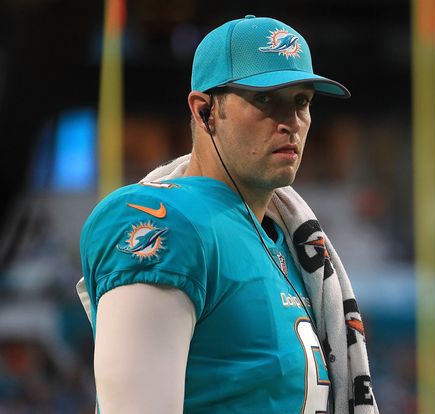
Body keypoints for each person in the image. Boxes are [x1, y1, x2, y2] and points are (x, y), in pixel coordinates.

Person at [77, 14, 378, 414]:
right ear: (204, 111)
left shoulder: (286, 240)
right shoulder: (165, 219)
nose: (290, 122)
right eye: (266, 100)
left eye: (301, 102)